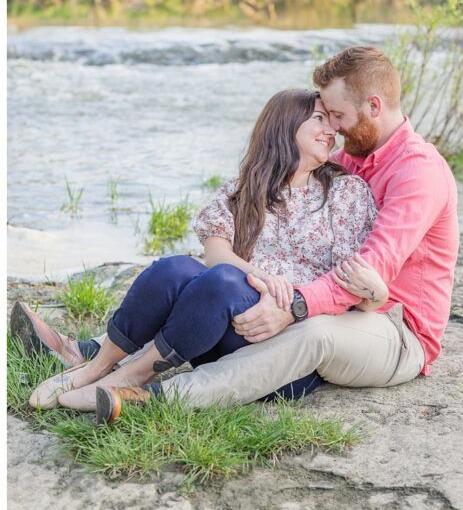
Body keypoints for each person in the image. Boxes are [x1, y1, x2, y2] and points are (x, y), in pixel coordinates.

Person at [52, 45, 460, 407]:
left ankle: (151, 394)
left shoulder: (417, 173)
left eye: (337, 115)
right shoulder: (352, 157)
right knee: (183, 271)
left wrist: (292, 305)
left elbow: (369, 272)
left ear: (374, 106)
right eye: (324, 117)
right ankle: (100, 355)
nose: (332, 128)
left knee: (313, 331)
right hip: (346, 307)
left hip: (395, 325)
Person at [16, 89, 383, 421]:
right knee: (175, 268)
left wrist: (286, 298)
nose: (330, 130)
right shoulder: (243, 191)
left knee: (224, 282)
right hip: (221, 333)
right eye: (319, 118)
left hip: (286, 359)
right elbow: (216, 254)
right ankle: (97, 366)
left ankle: (134, 373)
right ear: (285, 126)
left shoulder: (345, 194)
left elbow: (348, 283)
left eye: (332, 122)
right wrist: (263, 278)